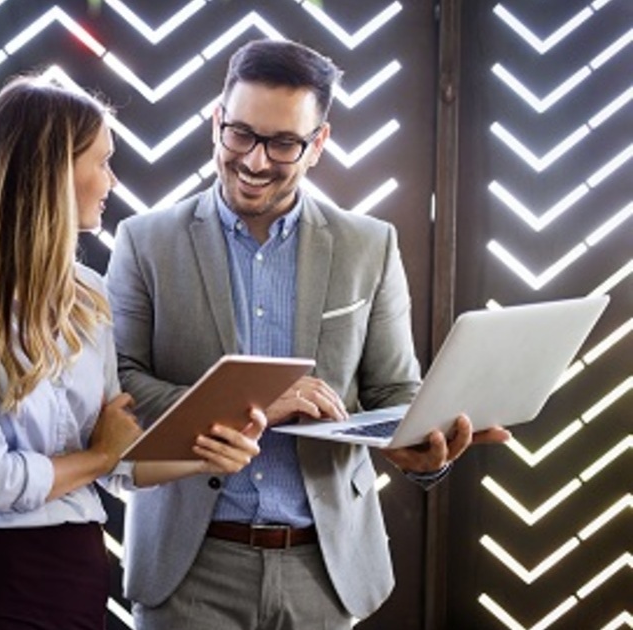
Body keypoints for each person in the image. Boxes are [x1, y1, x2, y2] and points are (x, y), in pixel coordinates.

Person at [106, 39, 511, 628]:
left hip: (324, 570)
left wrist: (423, 452)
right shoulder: (146, 241)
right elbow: (118, 384)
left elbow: (394, 391)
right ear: (216, 122)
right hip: (189, 567)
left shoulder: (369, 246)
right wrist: (254, 407)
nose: (254, 161)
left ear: (318, 144)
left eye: (284, 143)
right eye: (240, 133)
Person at [0, 75, 269, 630]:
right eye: (101, 162)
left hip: (79, 583)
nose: (111, 181)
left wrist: (210, 454)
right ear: (51, 173)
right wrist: (96, 458)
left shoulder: (88, 293)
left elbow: (118, 459)